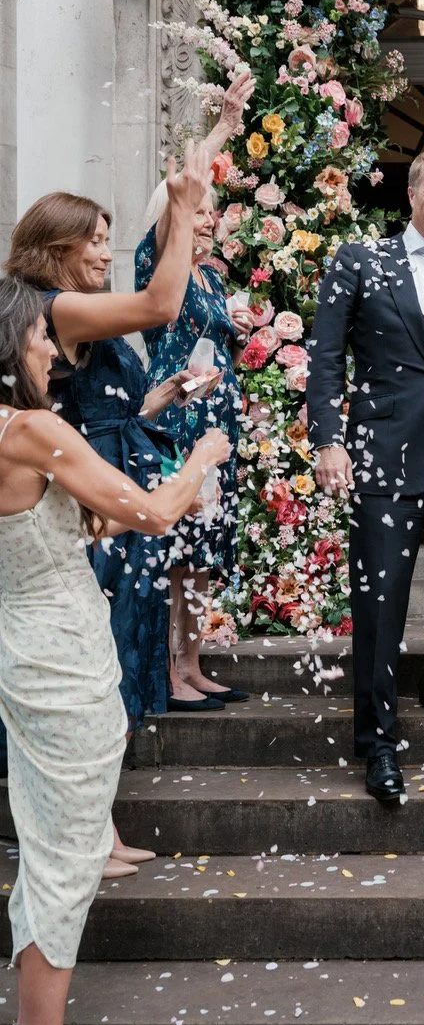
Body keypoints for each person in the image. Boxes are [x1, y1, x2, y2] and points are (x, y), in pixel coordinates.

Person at [4, 73, 253, 874]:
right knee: (91, 674)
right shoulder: (54, 307)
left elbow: (115, 401)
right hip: (87, 500)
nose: (107, 252)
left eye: (112, 237)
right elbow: (159, 303)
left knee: (108, 669)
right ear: (58, 248)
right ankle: (84, 836)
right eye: (97, 241)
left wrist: (163, 398)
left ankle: (94, 830)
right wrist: (182, 206)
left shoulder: (73, 311)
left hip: (108, 482)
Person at [0, 276, 231, 1025]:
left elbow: (66, 527)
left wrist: (150, 417)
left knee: (47, 852)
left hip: (23, 646)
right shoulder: (35, 431)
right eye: (40, 335)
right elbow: (159, 514)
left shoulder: (16, 435)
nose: (51, 347)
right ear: (11, 343)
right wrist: (202, 455)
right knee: (66, 863)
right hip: (63, 660)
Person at [307, 148, 424, 803]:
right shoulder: (360, 261)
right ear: (413, 195)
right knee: (380, 602)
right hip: (384, 450)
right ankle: (379, 745)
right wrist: (329, 440)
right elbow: (325, 359)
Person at [135, 154, 255, 708]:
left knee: (204, 552)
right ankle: (166, 669)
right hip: (177, 419)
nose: (208, 220)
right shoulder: (162, 264)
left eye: (213, 213)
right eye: (197, 212)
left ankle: (193, 661)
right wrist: (220, 133)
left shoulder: (211, 276)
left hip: (216, 422)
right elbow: (173, 221)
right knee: (178, 546)